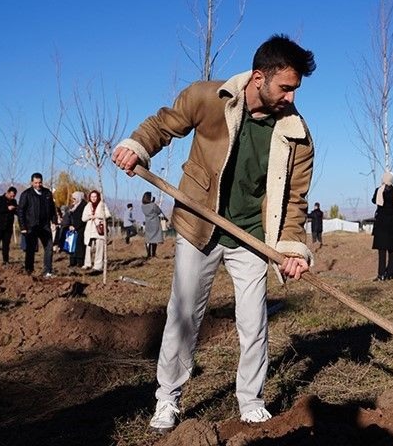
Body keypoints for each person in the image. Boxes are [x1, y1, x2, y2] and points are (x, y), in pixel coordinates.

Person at [111, 34, 315, 431]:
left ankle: (251, 399)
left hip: (253, 238)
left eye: (295, 89)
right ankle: (168, 399)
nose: (291, 97)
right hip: (199, 225)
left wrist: (292, 248)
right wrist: (137, 146)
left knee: (254, 322)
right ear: (259, 77)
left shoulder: (296, 135)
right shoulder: (208, 98)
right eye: (285, 87)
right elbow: (163, 124)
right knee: (183, 315)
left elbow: (295, 199)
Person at [17, 173, 58, 277]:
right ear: (31, 182)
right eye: (36, 183)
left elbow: (53, 209)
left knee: (49, 247)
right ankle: (29, 271)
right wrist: (23, 227)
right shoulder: (26, 194)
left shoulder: (47, 193)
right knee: (30, 249)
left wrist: (54, 221)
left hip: (45, 226)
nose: (38, 185)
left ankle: (47, 271)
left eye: (40, 182)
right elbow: (20, 211)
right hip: (31, 226)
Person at [371, 171, 393, 281]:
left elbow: (373, 200)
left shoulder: (379, 191)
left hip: (381, 224)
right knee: (392, 250)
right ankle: (391, 274)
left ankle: (381, 274)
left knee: (382, 250)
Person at [81, 190, 111, 272]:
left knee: (99, 247)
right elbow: (83, 218)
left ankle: (98, 265)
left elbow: (108, 214)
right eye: (92, 197)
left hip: (99, 229)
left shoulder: (102, 204)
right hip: (90, 230)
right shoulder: (87, 206)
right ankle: (87, 263)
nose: (93, 198)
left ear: (98, 197)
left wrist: (98, 216)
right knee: (88, 247)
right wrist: (90, 216)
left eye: (95, 196)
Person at [0, 186, 17, 265]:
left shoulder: (14, 202)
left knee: (6, 245)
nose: (12, 197)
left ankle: (6, 261)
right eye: (11, 195)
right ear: (7, 192)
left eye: (13, 196)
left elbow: (16, 211)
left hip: (8, 227)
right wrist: (7, 208)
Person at [66, 191, 87, 268]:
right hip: (72, 228)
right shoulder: (73, 206)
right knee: (72, 245)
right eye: (73, 198)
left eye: (75, 198)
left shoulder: (84, 205)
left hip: (80, 228)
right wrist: (70, 225)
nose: (73, 200)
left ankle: (80, 262)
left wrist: (76, 226)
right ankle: (72, 261)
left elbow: (83, 218)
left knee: (79, 245)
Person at [141, 192, 165, 258]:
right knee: (154, 239)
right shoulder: (153, 205)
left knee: (148, 239)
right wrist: (153, 202)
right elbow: (159, 211)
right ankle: (153, 254)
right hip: (155, 224)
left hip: (148, 224)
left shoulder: (143, 206)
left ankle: (148, 254)